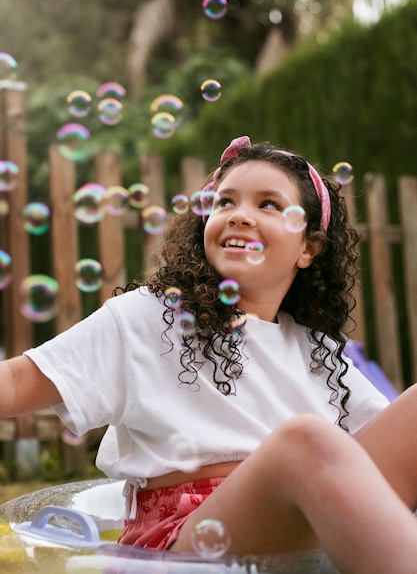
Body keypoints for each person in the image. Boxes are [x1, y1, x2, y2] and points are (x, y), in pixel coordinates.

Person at [0, 136, 398, 570]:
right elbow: (17, 382)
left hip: (305, 527)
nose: (240, 216)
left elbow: (382, 452)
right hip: (185, 536)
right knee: (306, 441)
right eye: (225, 202)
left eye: (268, 205)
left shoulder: (318, 351)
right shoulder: (151, 318)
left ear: (308, 248)